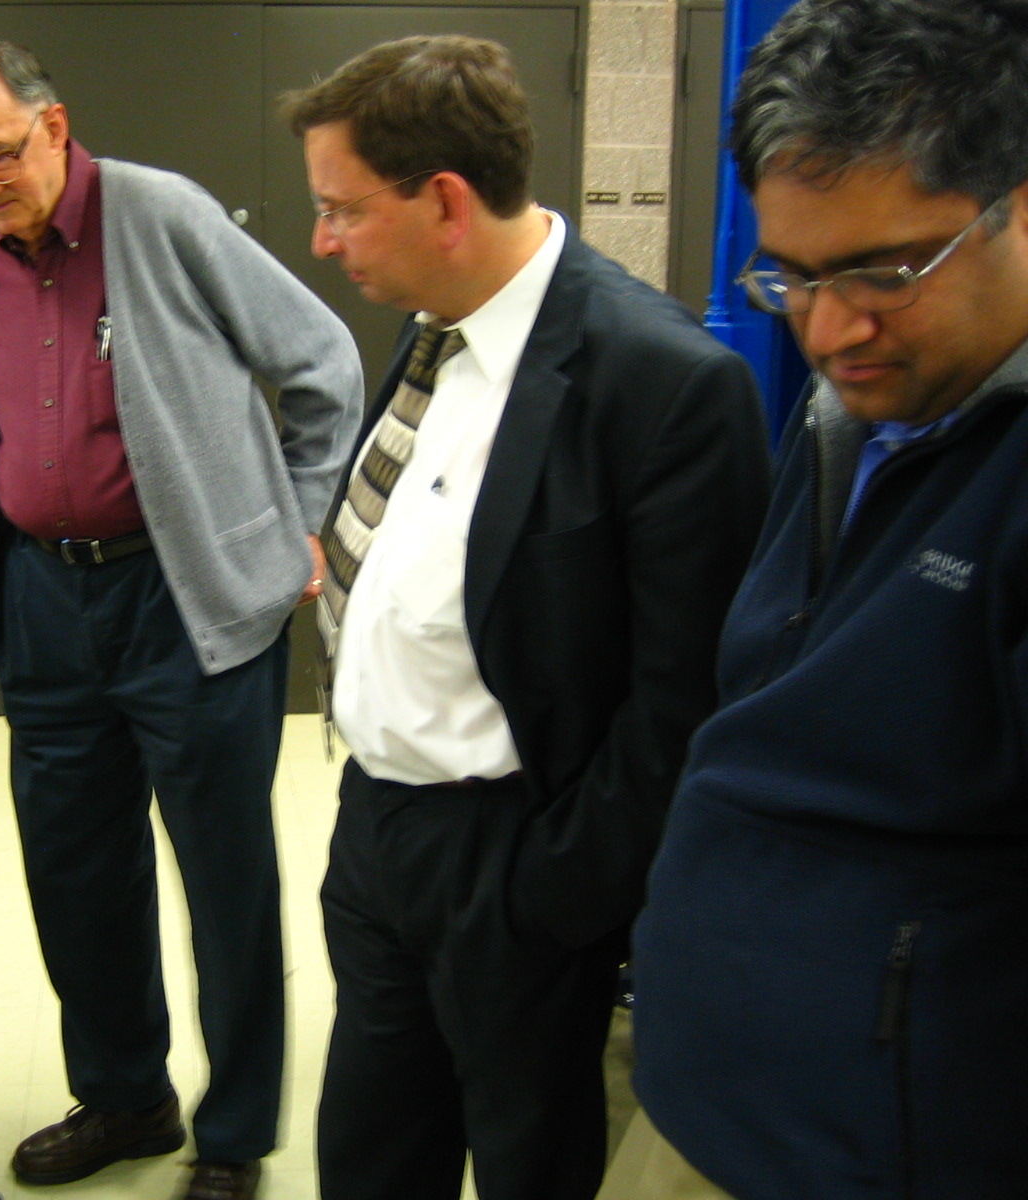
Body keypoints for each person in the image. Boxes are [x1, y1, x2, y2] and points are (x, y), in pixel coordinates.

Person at [283, 35, 772, 1200]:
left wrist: (551, 898)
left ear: (445, 203)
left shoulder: (661, 383)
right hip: (377, 839)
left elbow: (683, 702)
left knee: (528, 1164)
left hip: (515, 863)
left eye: (341, 209)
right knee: (368, 1155)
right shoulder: (433, 327)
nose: (321, 241)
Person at [0, 38, 362, 1200]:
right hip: (43, 602)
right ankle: (124, 1098)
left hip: (184, 599)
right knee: (75, 874)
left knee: (224, 880)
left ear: (55, 127)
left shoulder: (161, 218)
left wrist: (296, 523)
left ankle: (235, 1135)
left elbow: (322, 361)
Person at [625, 2, 1028, 1197]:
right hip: (707, 1096)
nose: (829, 327)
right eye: (791, 278)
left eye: (883, 272)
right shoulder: (852, 400)